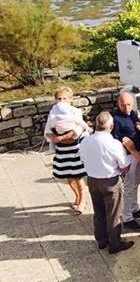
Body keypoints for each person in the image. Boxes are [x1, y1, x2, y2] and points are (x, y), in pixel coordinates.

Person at [77, 112, 133, 254]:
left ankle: (101, 241)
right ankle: (115, 243)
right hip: (111, 181)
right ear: (112, 126)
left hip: (93, 180)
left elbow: (82, 158)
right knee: (114, 213)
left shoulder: (85, 141)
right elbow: (124, 165)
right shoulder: (113, 144)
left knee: (99, 211)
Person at [44, 86, 89, 214]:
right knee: (68, 176)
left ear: (70, 99)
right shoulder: (53, 113)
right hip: (62, 149)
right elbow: (47, 130)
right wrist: (54, 137)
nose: (62, 101)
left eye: (65, 98)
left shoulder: (75, 112)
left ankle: (83, 200)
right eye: (59, 98)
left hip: (75, 147)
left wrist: (62, 137)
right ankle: (78, 196)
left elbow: (79, 129)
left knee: (78, 176)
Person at [111, 92, 140, 228]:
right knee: (129, 186)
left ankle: (134, 208)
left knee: (136, 183)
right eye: (123, 105)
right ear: (118, 104)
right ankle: (127, 217)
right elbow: (115, 138)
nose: (127, 107)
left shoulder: (134, 114)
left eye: (129, 104)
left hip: (137, 153)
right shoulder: (116, 119)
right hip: (127, 156)